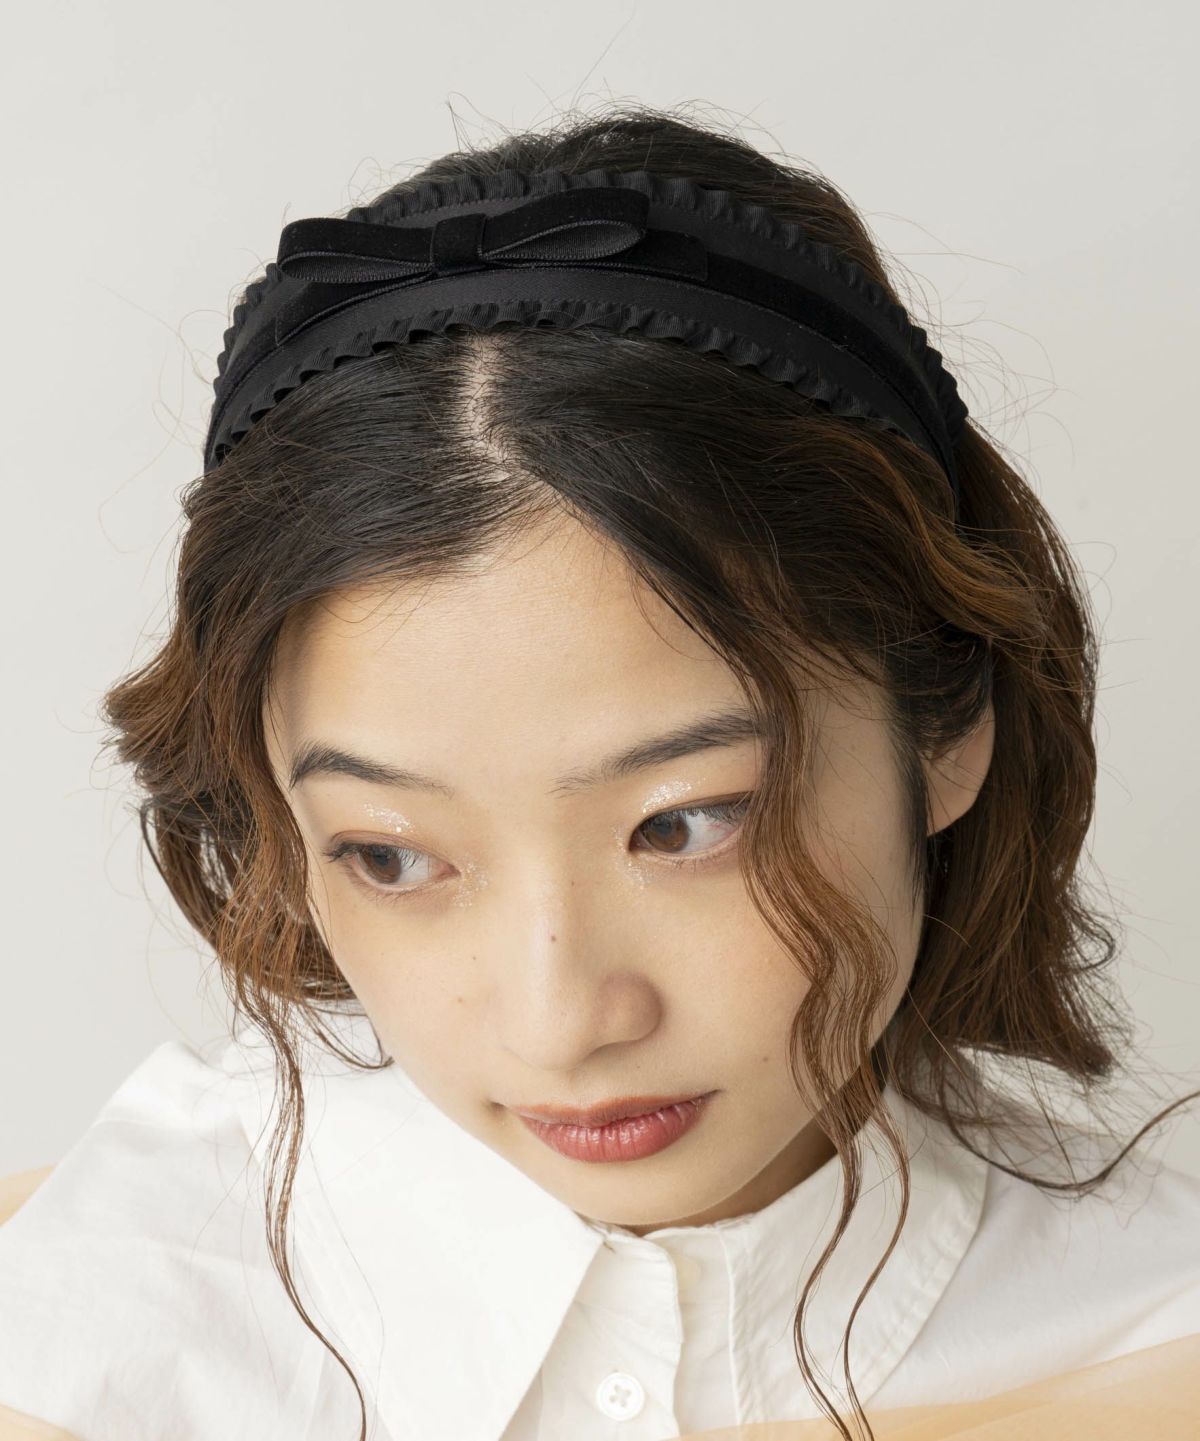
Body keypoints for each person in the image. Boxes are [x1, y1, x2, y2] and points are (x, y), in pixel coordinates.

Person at [0, 105, 1197, 1441]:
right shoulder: (102, 1314)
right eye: (391, 855)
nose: (560, 1022)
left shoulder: (1155, 1319)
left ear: (949, 723)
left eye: (682, 825)